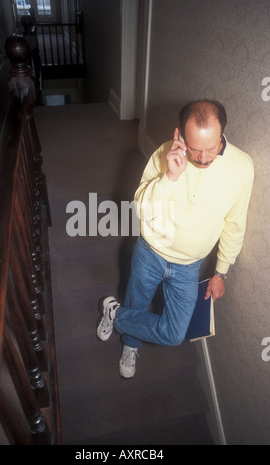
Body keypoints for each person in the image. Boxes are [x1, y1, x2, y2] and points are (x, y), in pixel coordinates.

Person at [97, 99, 254, 378]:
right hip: (151, 252)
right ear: (179, 136)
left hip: (189, 266)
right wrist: (170, 176)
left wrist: (221, 272)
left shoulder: (242, 167)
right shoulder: (164, 155)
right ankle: (130, 344)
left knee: (173, 334)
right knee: (137, 302)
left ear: (222, 136)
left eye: (212, 149)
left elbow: (234, 223)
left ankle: (115, 315)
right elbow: (141, 211)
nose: (203, 159)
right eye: (195, 150)